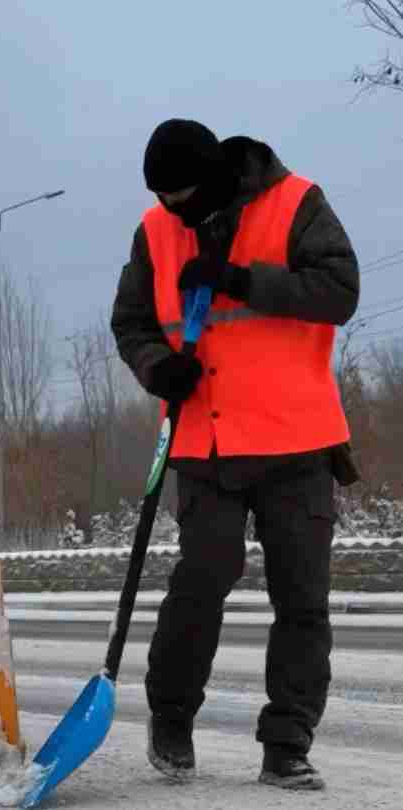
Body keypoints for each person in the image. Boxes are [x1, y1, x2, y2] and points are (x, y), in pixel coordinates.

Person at [110, 119, 360, 791]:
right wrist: (158, 367)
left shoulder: (296, 202)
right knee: (202, 579)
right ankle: (171, 720)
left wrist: (243, 280)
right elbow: (130, 322)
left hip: (298, 441)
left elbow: (340, 291)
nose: (172, 211)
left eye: (182, 196)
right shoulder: (155, 229)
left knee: (303, 600)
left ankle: (287, 745)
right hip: (205, 439)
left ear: (217, 177)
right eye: (161, 197)